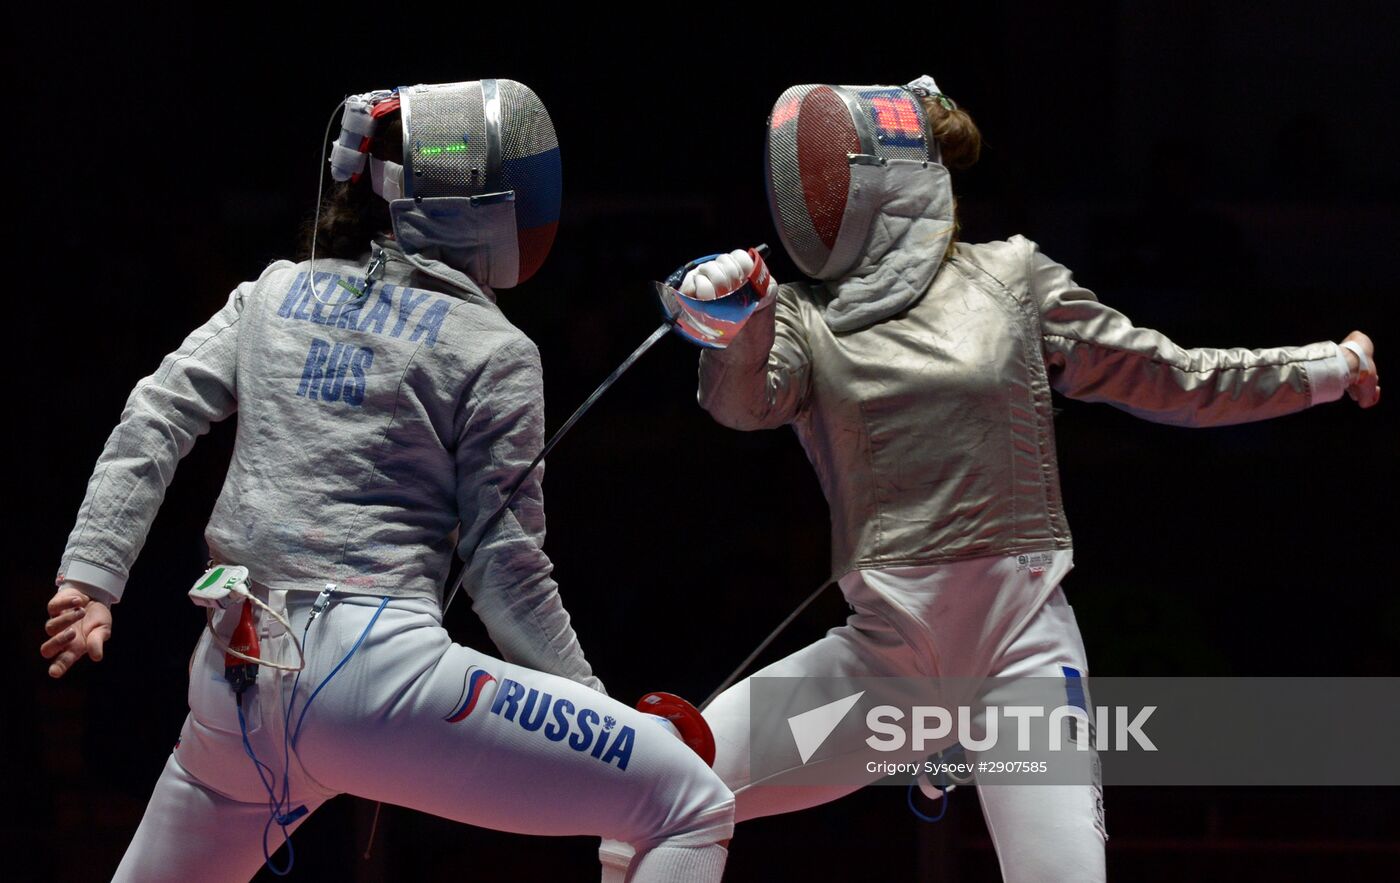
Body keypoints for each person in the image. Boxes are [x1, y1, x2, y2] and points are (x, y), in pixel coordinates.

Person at [603, 75, 1380, 883]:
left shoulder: (1014, 279)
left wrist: (1331, 365)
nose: (809, 194)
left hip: (1022, 662)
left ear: (887, 174)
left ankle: (958, 745)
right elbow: (741, 406)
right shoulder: (802, 314)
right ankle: (933, 742)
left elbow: (1174, 376)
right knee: (651, 793)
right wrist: (734, 324)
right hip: (886, 674)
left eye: (826, 173)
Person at [39, 80, 733, 883]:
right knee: (689, 800)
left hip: (235, 684)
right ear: (493, 208)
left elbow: (155, 414)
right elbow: (505, 573)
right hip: (382, 683)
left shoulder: (271, 293)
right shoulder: (495, 348)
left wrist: (91, 576)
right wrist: (600, 712)